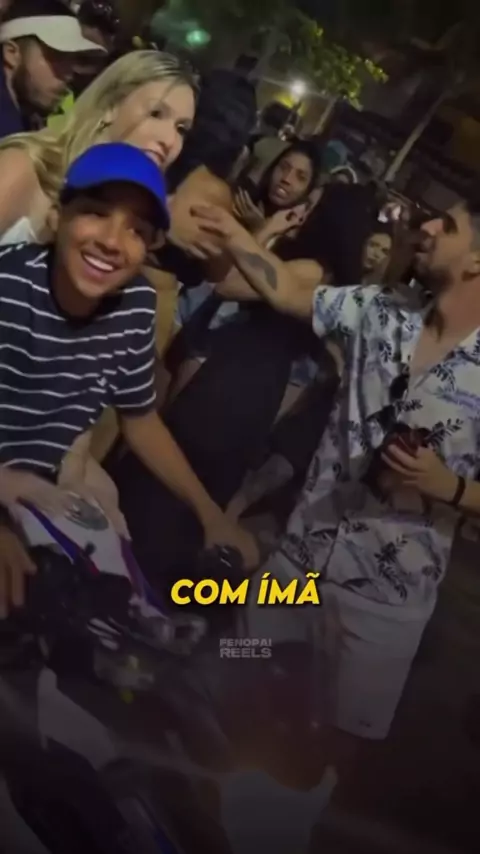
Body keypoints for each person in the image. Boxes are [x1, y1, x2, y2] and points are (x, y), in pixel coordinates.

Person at [190, 195, 480, 778]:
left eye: (446, 225)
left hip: (381, 610)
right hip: (292, 570)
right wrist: (232, 231)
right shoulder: (380, 309)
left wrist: (447, 485)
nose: (424, 226)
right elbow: (288, 294)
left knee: (323, 758)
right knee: (230, 692)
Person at [0, 142, 258, 618]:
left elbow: (140, 419)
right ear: (58, 215)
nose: (113, 242)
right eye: (96, 213)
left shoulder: (135, 305)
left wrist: (211, 516)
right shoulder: (9, 284)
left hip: (34, 502)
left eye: (137, 229)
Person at [0, 49, 197, 243]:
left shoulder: (138, 223)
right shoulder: (24, 166)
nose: (169, 141)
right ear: (111, 105)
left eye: (181, 129)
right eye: (156, 114)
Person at [0, 0, 105, 139]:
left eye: (72, 59)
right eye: (56, 57)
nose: (68, 75)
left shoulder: (24, 113)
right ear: (11, 53)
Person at [233, 141, 319, 234]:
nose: (286, 179)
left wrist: (260, 229)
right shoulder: (244, 197)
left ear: (308, 190)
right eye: (284, 167)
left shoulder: (297, 236)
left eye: (300, 177)